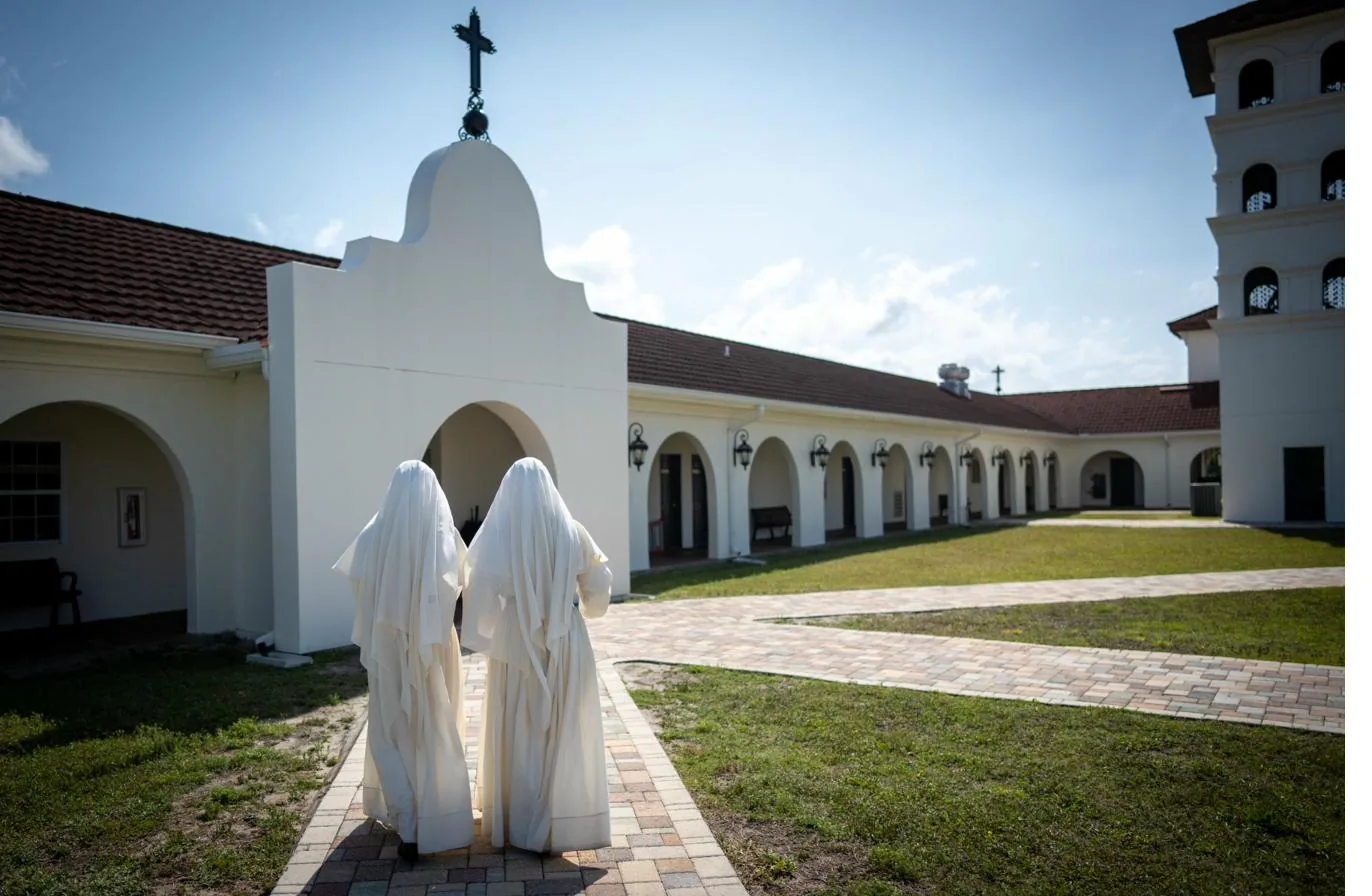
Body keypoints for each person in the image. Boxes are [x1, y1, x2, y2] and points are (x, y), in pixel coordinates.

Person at [462, 457, 614, 854]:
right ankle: (558, 818)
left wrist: (507, 616)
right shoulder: (572, 531)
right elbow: (598, 592)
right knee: (561, 723)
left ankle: (515, 818)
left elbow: (476, 587)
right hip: (565, 635)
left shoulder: (499, 536)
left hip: (516, 640)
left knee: (518, 722)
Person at [333, 460, 474, 860]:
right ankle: (436, 810)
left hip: (386, 644)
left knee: (392, 725)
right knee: (433, 722)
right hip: (432, 645)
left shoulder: (373, 533)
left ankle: (407, 821)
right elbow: (458, 583)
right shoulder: (440, 533)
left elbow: (358, 580)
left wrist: (388, 611)